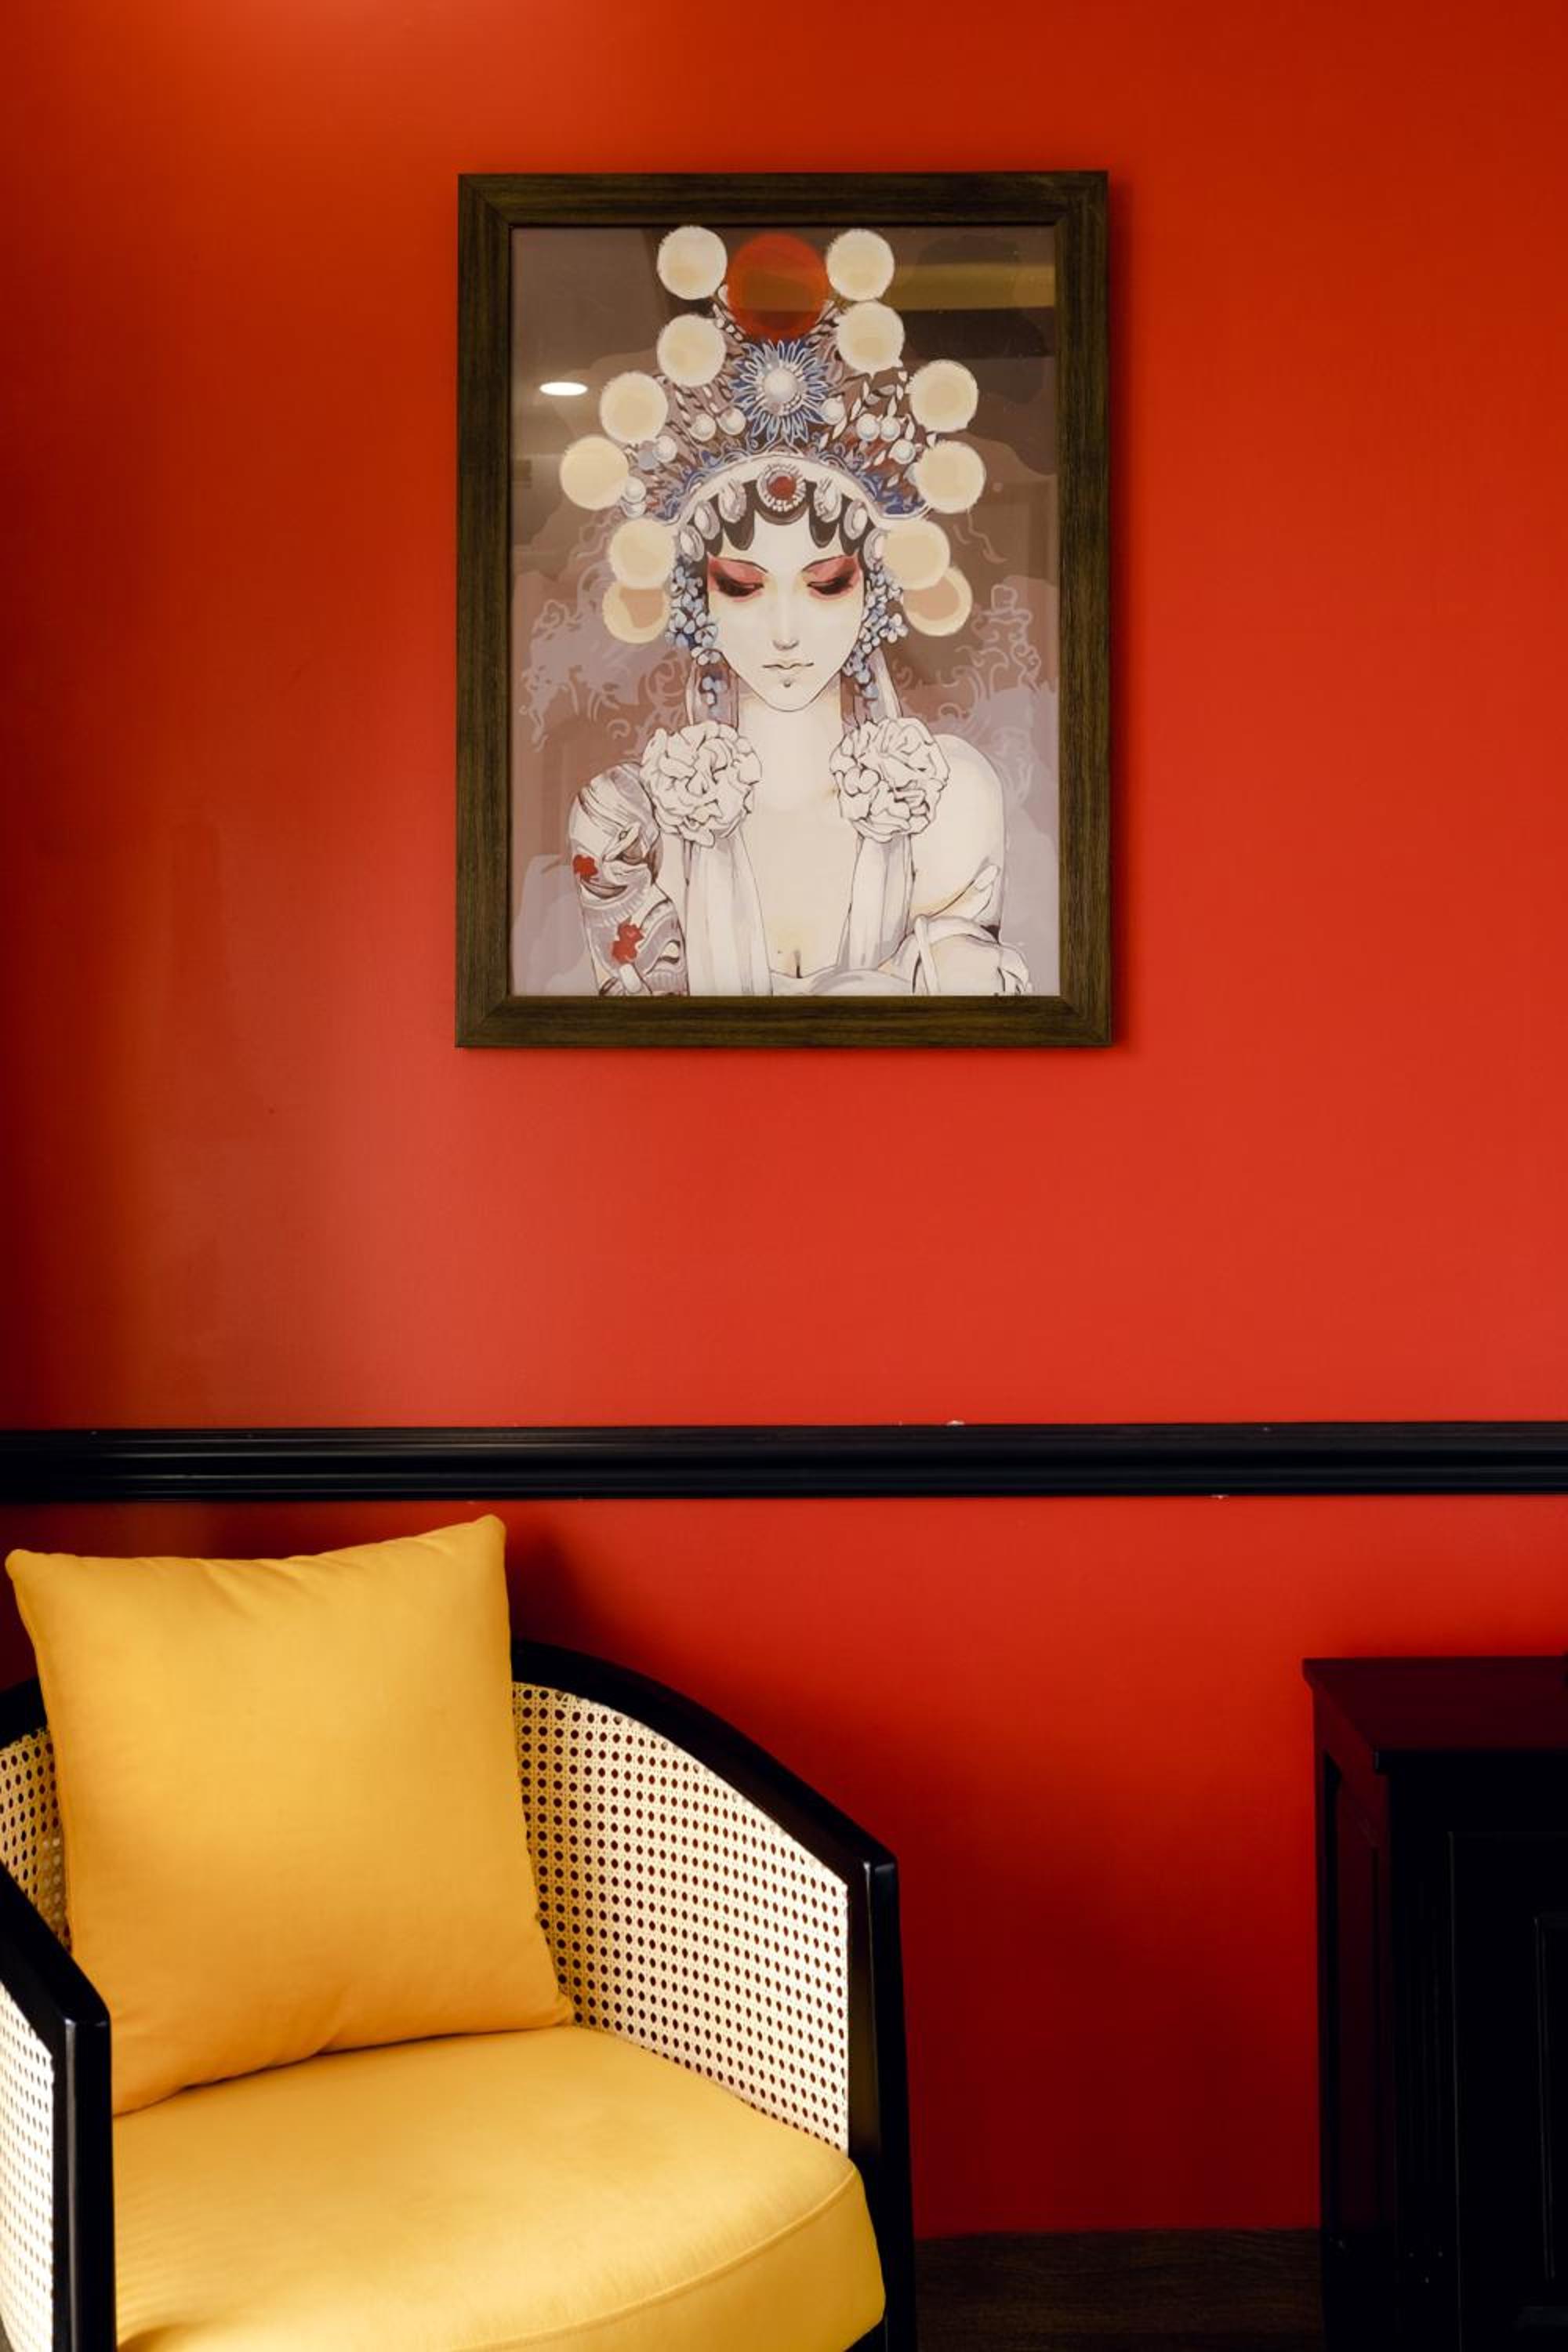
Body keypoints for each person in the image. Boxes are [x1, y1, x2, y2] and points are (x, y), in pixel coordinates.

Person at [553, 223, 1032, 997]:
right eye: (742, 586)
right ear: (696, 597)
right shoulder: (627, 825)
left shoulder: (948, 798)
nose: (783, 633)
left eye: (826, 583)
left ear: (874, 592)